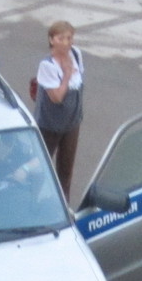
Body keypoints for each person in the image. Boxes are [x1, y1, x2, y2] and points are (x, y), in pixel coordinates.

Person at [35, 19, 84, 200]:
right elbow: (57, 97)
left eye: (70, 38)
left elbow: (79, 87)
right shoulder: (47, 65)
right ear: (51, 40)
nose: (67, 42)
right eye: (61, 38)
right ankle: (35, 202)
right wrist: (66, 75)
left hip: (72, 122)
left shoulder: (76, 55)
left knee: (66, 170)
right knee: (42, 167)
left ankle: (64, 203)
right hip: (50, 124)